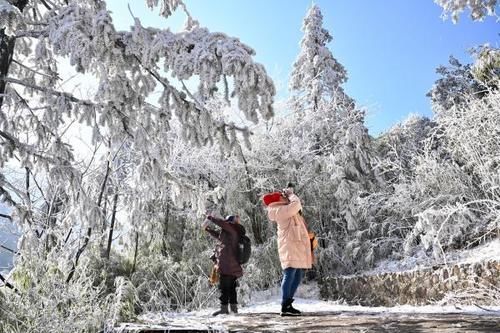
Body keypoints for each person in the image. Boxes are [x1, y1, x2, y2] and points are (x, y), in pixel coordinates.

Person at [263, 187, 312, 316]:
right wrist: (291, 194)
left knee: (297, 274)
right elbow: (296, 205)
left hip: (295, 246)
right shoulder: (278, 210)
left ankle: (288, 304)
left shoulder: (285, 209)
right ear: (277, 199)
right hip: (289, 247)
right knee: (290, 273)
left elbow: (298, 209)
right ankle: (285, 305)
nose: (285, 197)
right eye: (282, 196)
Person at [202, 214, 245, 316]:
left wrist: (211, 217)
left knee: (224, 287)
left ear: (229, 223)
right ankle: (233, 309)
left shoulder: (232, 230)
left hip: (227, 265)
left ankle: (224, 309)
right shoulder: (231, 234)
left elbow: (222, 224)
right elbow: (219, 236)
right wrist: (208, 229)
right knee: (231, 287)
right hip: (231, 265)